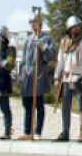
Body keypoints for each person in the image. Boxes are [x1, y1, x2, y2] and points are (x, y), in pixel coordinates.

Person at [53, 16, 82, 143]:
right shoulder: (64, 42)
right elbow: (60, 61)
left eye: (78, 26)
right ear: (70, 28)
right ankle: (65, 131)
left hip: (79, 77)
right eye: (74, 26)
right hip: (66, 78)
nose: (77, 28)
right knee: (65, 107)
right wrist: (56, 77)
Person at [17, 13, 57, 141]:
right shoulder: (28, 39)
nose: (33, 24)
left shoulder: (46, 38)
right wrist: (20, 74)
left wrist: (43, 46)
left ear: (40, 23)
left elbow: (52, 56)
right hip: (27, 73)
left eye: (35, 21)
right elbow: (23, 58)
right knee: (26, 103)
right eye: (31, 22)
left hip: (39, 72)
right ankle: (27, 131)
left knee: (38, 103)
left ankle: (37, 131)